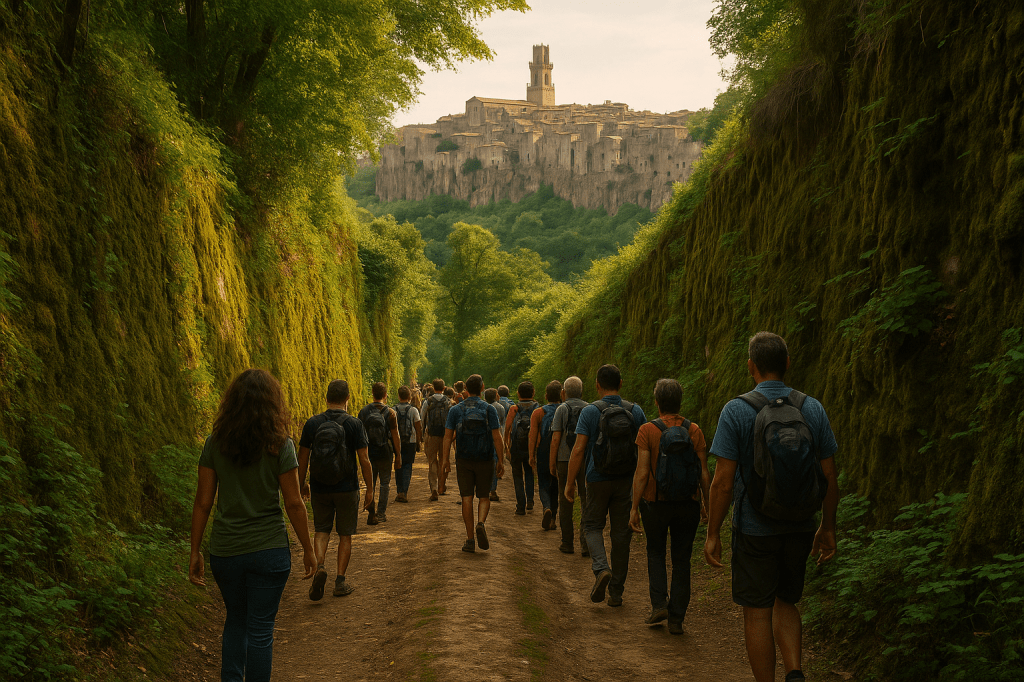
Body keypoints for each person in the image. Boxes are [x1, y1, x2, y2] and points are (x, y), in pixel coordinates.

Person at [704, 332, 839, 682]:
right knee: (787, 601)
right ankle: (795, 670)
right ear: (788, 364)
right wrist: (827, 527)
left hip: (754, 528)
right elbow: (828, 475)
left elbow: (722, 481)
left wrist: (713, 532)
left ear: (751, 367)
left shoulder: (736, 410)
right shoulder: (812, 408)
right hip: (801, 525)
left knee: (757, 612)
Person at [189, 369, 317, 681]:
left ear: (230, 403)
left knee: (235, 620)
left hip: (226, 551)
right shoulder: (280, 445)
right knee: (260, 630)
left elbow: (203, 502)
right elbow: (294, 503)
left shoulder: (214, 444)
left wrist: (195, 550)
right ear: (273, 404)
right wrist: (309, 549)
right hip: (269, 551)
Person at [629, 378, 710, 634]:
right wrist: (706, 503)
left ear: (657, 402)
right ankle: (677, 619)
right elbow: (704, 472)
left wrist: (633, 507)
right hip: (688, 504)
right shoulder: (694, 430)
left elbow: (642, 472)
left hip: (655, 504)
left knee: (655, 553)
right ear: (680, 402)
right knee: (682, 560)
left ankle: (658, 605)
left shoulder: (647, 430)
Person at [565, 364, 647, 607]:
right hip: (626, 480)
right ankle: (617, 592)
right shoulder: (635, 410)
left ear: (597, 386)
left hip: (597, 478)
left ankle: (601, 568)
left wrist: (569, 483)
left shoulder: (590, 412)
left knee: (591, 526)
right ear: (621, 383)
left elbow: (579, 449)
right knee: (621, 534)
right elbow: (644, 451)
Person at [296, 379, 373, 599]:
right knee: (345, 535)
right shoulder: (354, 424)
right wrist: (369, 488)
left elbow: (302, 458)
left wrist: (301, 484)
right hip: (347, 488)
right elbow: (364, 459)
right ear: (348, 398)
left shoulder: (313, 423)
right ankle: (340, 581)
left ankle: (320, 565)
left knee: (321, 530)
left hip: (320, 487)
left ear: (326, 398)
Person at [441, 374, 505, 552]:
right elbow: (496, 436)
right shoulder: (489, 409)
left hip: (464, 459)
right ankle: (481, 522)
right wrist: (501, 459)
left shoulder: (456, 410)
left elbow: (447, 437)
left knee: (466, 498)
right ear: (483, 387)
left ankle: (470, 539)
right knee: (484, 496)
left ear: (466, 390)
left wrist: (445, 460)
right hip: (485, 458)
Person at [550, 376, 590, 555]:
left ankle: (567, 543)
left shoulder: (562, 408)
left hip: (565, 460)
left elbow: (556, 438)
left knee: (565, 499)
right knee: (586, 500)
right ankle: (586, 545)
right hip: (586, 460)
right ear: (582, 391)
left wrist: (552, 462)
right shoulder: (590, 409)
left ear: (563, 393)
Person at [358, 382, 403, 524]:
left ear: (372, 393)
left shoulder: (363, 412)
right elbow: (396, 436)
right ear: (385, 395)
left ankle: (371, 512)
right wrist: (398, 455)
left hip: (369, 453)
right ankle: (381, 513)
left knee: (370, 483)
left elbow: (360, 436)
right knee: (385, 483)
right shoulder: (390, 413)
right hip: (385, 452)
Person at [530, 380, 562, 531]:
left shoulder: (539, 412)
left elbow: (533, 436)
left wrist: (531, 455)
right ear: (562, 394)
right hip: (560, 451)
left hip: (544, 451)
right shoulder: (564, 410)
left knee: (543, 482)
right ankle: (553, 519)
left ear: (546, 395)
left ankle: (546, 507)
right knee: (555, 485)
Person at [504, 381, 538, 515]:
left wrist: (507, 446)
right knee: (529, 473)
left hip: (516, 447)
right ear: (533, 393)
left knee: (517, 476)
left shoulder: (514, 408)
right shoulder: (537, 408)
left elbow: (507, 428)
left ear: (518, 393)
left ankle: (520, 506)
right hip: (531, 446)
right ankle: (530, 501)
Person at [421, 379, 451, 500]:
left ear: (433, 387)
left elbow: (422, 417)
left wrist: (423, 435)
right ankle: (441, 486)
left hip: (432, 434)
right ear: (444, 388)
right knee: (444, 459)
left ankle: (433, 488)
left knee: (432, 461)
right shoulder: (448, 402)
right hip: (445, 435)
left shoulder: (428, 401)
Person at [394, 385, 423, 503]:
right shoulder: (413, 410)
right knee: (407, 466)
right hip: (410, 441)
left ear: (399, 396)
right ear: (409, 397)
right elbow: (418, 427)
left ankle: (399, 490)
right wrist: (418, 441)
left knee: (398, 465)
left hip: (398, 442)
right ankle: (404, 492)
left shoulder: (393, 410)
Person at [484, 387, 507, 502]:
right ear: (496, 396)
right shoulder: (500, 407)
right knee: (496, 462)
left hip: (487, 438)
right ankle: (492, 490)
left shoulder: (485, 408)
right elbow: (503, 423)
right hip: (498, 437)